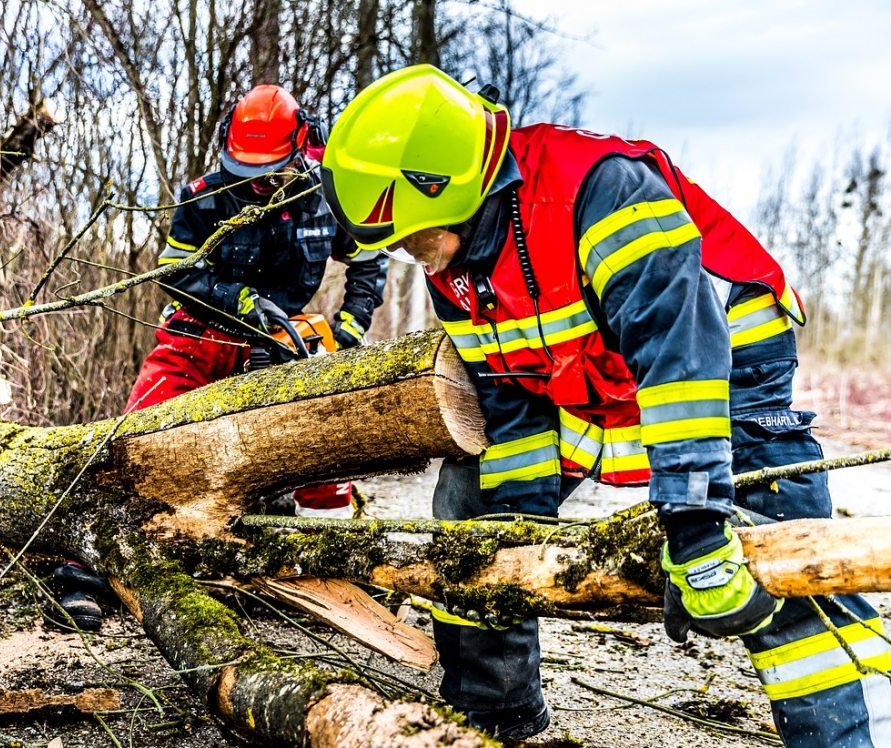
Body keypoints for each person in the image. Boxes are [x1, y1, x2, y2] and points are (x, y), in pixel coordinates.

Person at [319, 64, 891, 745]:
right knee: (472, 508)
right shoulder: (461, 259)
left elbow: (680, 361)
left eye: (417, 240)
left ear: (457, 192)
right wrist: (513, 531)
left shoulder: (602, 192)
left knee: (776, 559)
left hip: (723, 375)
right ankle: (492, 711)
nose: (421, 262)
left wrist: (695, 524)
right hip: (591, 379)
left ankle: (848, 735)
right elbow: (509, 396)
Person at [55, 84, 388, 631]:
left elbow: (369, 259)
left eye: (269, 169)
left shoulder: (326, 197)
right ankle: (85, 570)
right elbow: (175, 273)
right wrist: (237, 300)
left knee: (326, 438)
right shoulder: (205, 197)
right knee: (137, 439)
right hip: (202, 330)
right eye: (246, 168)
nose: (256, 181)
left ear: (300, 148)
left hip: (288, 336)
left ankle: (334, 566)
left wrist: (348, 328)